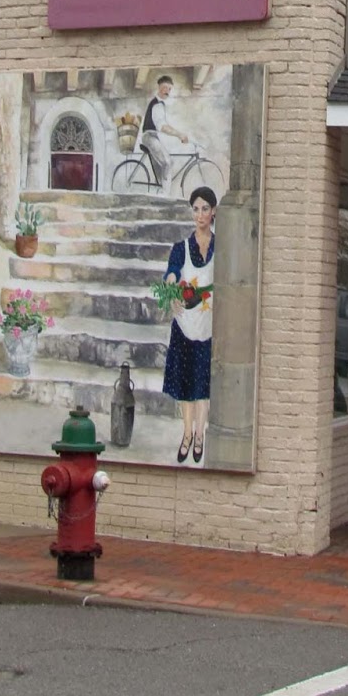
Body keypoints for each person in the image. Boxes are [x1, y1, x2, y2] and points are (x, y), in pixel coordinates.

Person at [162, 185, 216, 464]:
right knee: (185, 384)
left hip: (209, 326)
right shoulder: (181, 248)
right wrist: (171, 286)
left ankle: (200, 434)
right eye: (196, 209)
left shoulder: (221, 247)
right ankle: (186, 433)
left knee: (202, 384)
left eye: (205, 208)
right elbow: (171, 273)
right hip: (185, 325)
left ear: (213, 212)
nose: (200, 214)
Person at [141, 74, 188, 190]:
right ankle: (165, 195)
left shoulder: (159, 104)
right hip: (149, 137)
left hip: (153, 137)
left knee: (162, 167)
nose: (167, 91)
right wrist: (179, 135)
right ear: (159, 88)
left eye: (170, 89)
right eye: (165, 88)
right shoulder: (157, 104)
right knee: (168, 162)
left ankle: (160, 189)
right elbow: (162, 127)